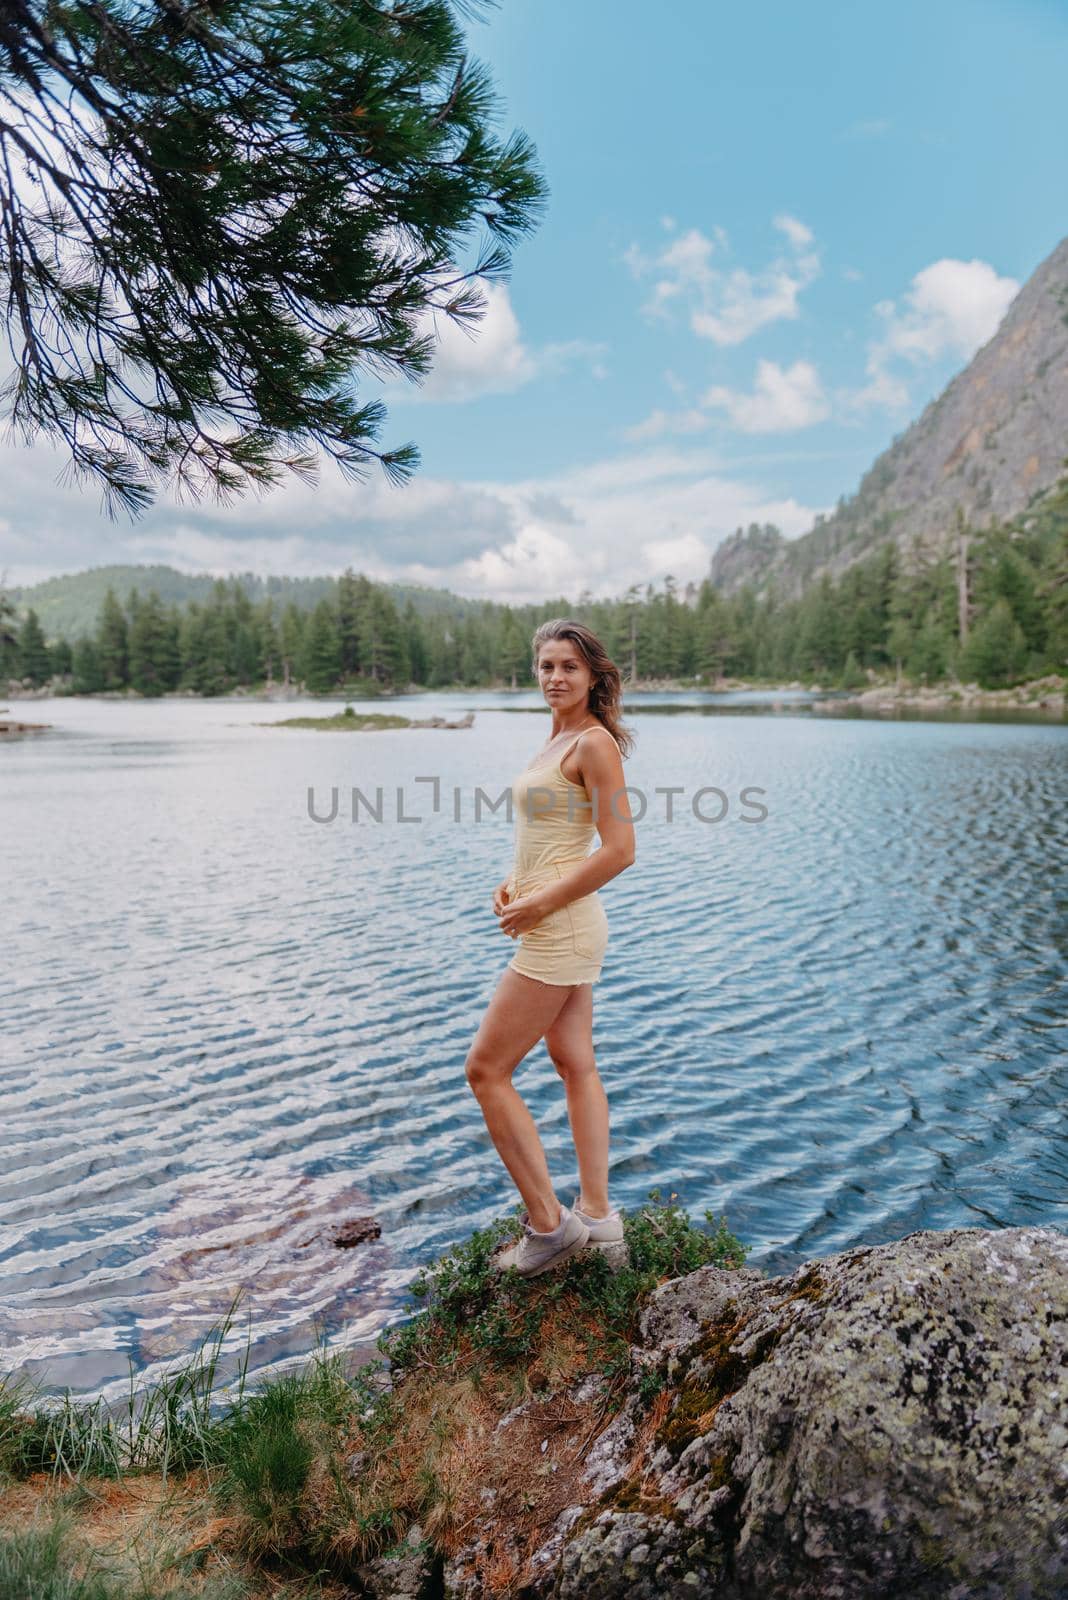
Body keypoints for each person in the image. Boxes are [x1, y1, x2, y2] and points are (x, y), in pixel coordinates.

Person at [464, 618, 637, 1277]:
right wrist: (514, 884)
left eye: (568, 666)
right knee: (574, 1062)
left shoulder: (594, 744)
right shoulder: (555, 737)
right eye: (545, 667)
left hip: (560, 927)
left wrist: (541, 903)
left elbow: (621, 850)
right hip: (548, 916)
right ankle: (598, 1218)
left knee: (485, 1070)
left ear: (593, 675)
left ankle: (549, 1228)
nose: (555, 677)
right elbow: (553, 837)